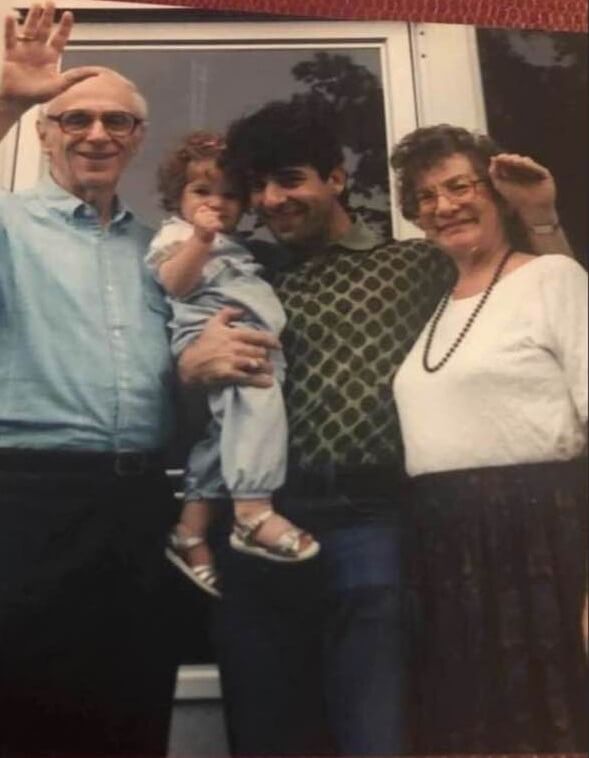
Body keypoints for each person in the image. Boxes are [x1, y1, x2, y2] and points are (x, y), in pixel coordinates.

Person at [176, 98, 574, 756]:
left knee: (377, 728)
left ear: (335, 178)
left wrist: (540, 218)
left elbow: (526, 285)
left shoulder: (418, 264)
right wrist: (189, 366)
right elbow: (191, 398)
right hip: (257, 521)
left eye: (291, 178)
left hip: (372, 518)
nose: (273, 199)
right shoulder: (236, 274)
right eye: (258, 186)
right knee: (266, 727)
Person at [0, 4, 183, 755]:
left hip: (142, 507)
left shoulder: (164, 251)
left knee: (132, 714)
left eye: (117, 122)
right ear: (44, 134)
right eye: (74, 119)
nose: (97, 134)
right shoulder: (7, 226)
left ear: (138, 139)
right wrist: (9, 99)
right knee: (27, 718)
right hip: (29, 504)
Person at [390, 124, 588, 753]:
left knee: (554, 724)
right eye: (425, 196)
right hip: (447, 548)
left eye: (460, 186)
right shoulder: (437, 303)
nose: (444, 205)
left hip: (542, 538)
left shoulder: (552, 278)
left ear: (497, 194)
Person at [146, 131, 319, 598]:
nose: (216, 204)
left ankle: (190, 531)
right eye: (202, 192)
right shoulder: (178, 236)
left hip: (252, 342)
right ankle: (252, 512)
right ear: (177, 197)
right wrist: (201, 238)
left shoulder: (237, 246)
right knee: (254, 412)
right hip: (220, 339)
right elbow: (176, 283)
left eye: (229, 196)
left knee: (222, 436)